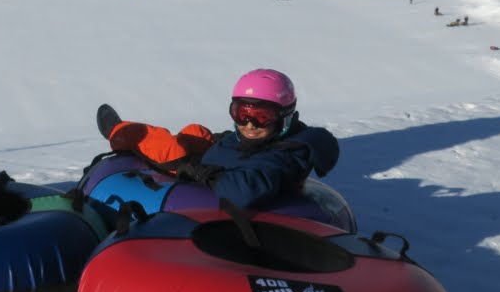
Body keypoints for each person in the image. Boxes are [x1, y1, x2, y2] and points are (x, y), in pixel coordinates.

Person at [96, 69, 339, 211]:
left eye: (262, 117)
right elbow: (248, 147)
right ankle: (123, 131)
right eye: (241, 114)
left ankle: (120, 133)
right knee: (195, 132)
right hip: (227, 164)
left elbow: (243, 191)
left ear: (285, 117)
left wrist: (197, 169)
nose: (249, 124)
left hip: (214, 186)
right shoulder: (280, 139)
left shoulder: (287, 157)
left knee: (165, 147)